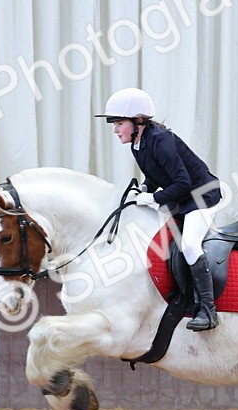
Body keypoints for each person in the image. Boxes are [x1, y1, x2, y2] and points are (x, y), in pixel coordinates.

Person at [95, 87, 222, 331]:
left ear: (137, 121)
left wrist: (154, 198)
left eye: (119, 123)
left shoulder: (160, 141)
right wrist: (143, 189)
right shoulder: (137, 143)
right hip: (182, 199)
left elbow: (183, 181)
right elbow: (154, 175)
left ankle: (208, 310)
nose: (115, 129)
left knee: (190, 244)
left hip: (201, 196)